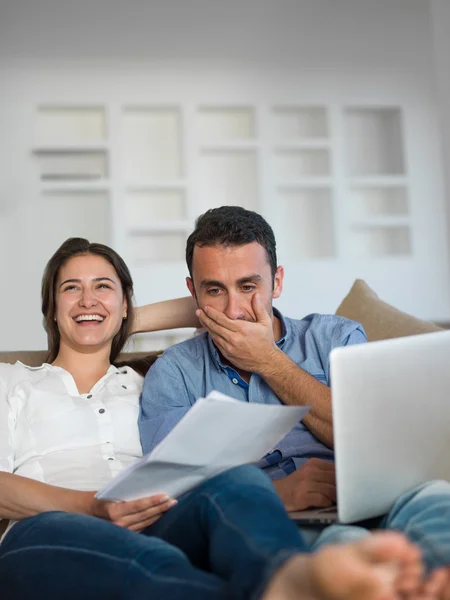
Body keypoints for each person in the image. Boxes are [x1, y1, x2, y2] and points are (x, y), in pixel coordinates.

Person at [1, 236, 439, 600]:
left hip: (160, 521)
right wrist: (92, 505)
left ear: (126, 305)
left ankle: (289, 577)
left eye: (103, 287)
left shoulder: (144, 384)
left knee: (241, 481)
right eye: (71, 289)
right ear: (51, 307)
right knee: (140, 560)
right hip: (53, 526)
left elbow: (220, 302)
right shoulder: (13, 382)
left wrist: (119, 320)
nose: (88, 299)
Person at [139, 205, 450, 575]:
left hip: (380, 499)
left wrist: (268, 361)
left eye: (248, 286)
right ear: (193, 292)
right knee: (347, 552)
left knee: (438, 506)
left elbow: (378, 439)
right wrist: (278, 493)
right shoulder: (174, 372)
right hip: (285, 523)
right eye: (214, 290)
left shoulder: (335, 337)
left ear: (278, 282)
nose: (234, 310)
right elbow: (169, 492)